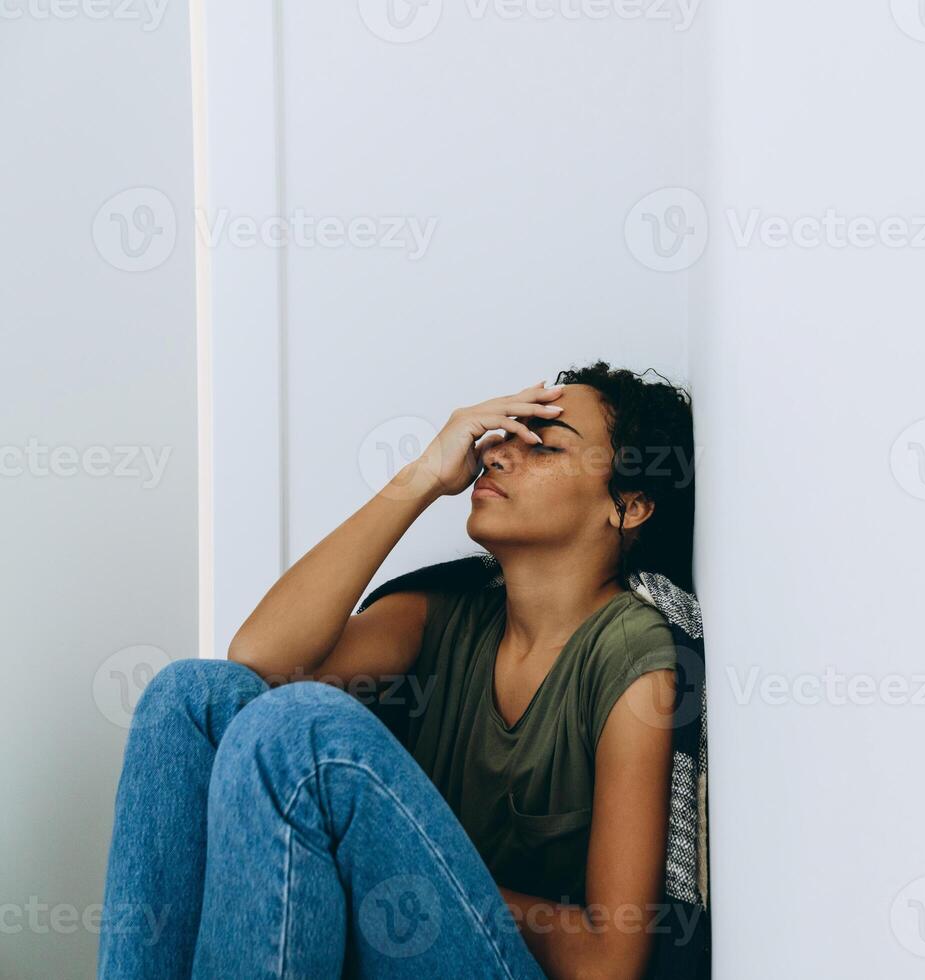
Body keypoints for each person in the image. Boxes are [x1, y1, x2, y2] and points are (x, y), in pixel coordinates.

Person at [97, 362, 697, 979]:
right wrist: (422, 477)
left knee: (304, 726)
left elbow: (610, 960)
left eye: (543, 446)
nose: (498, 455)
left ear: (629, 506)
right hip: (403, 948)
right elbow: (259, 659)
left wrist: (416, 867)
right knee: (190, 696)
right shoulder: (446, 613)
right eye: (507, 435)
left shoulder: (631, 656)